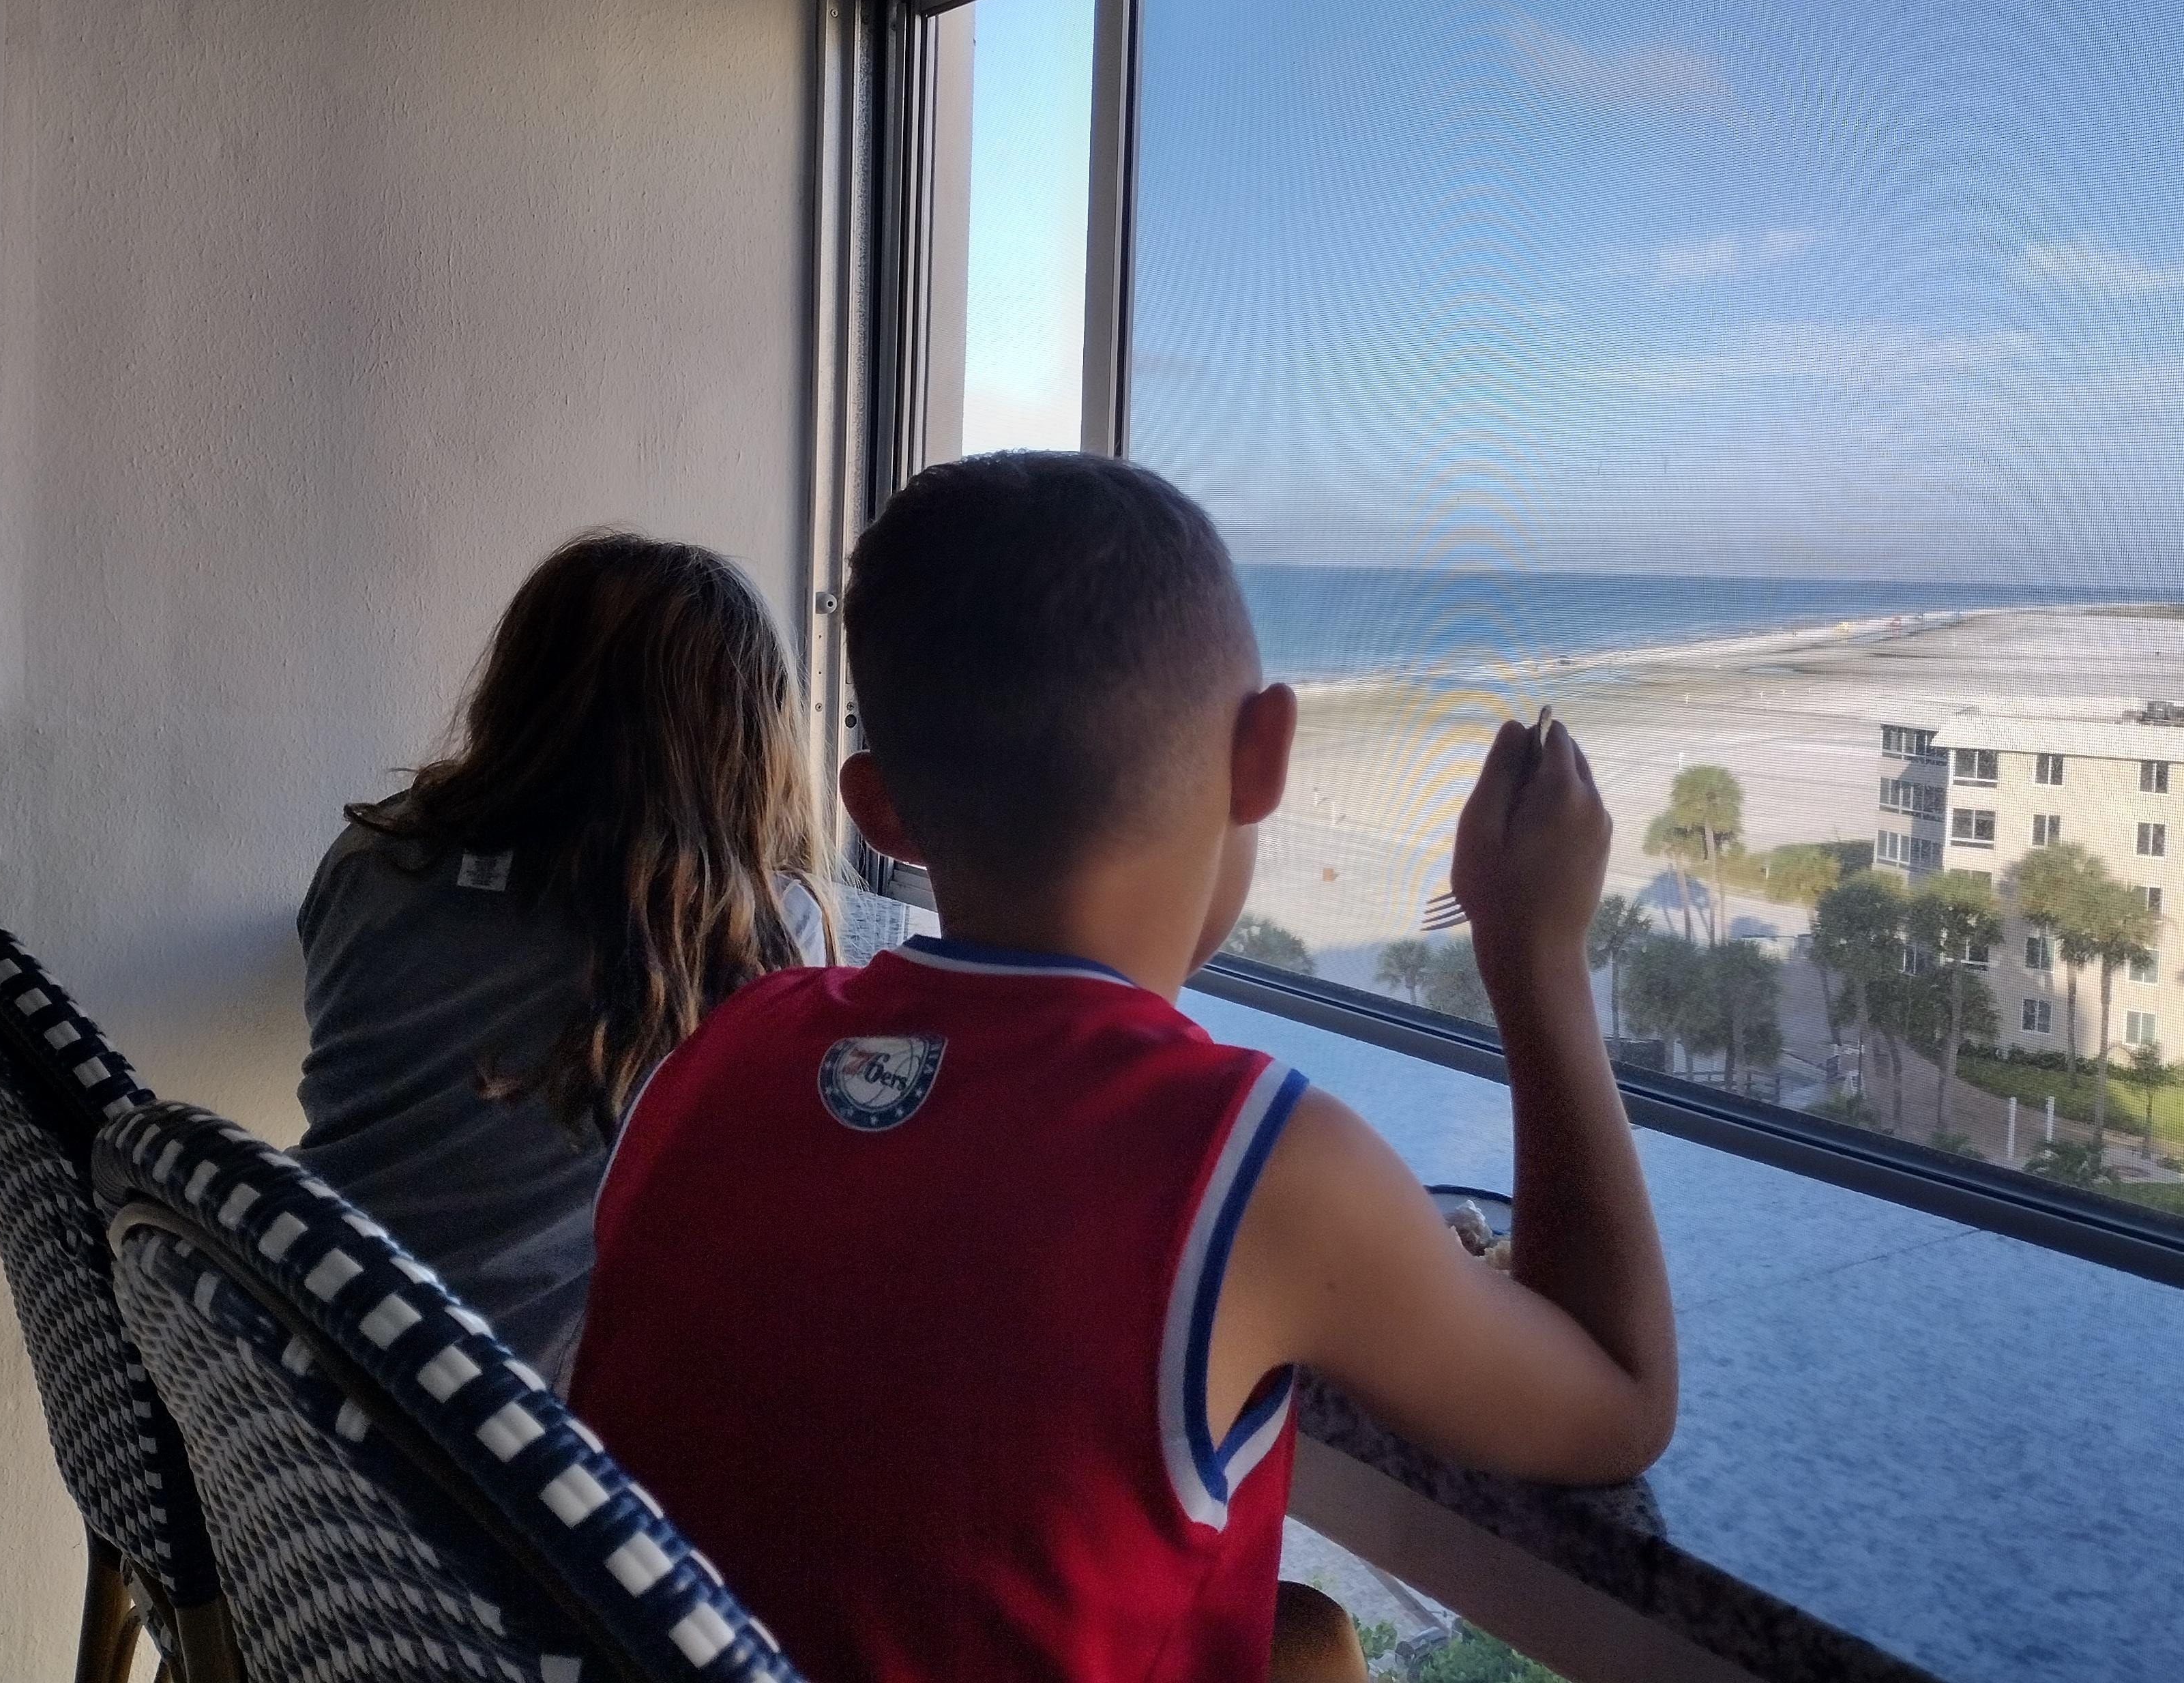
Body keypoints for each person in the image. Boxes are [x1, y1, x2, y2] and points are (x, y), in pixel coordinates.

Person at [572, 455, 1675, 1682]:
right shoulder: (1253, 1163)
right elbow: (1619, 1401)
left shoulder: (720, 1050)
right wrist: (1538, 954)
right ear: (1265, 755)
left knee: (1304, 1640)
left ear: (879, 813)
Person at [295, 532, 829, 1386]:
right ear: (746, 738)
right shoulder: (748, 929)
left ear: (520, 688)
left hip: (288, 1359)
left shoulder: (370, 860)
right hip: (513, 1450)